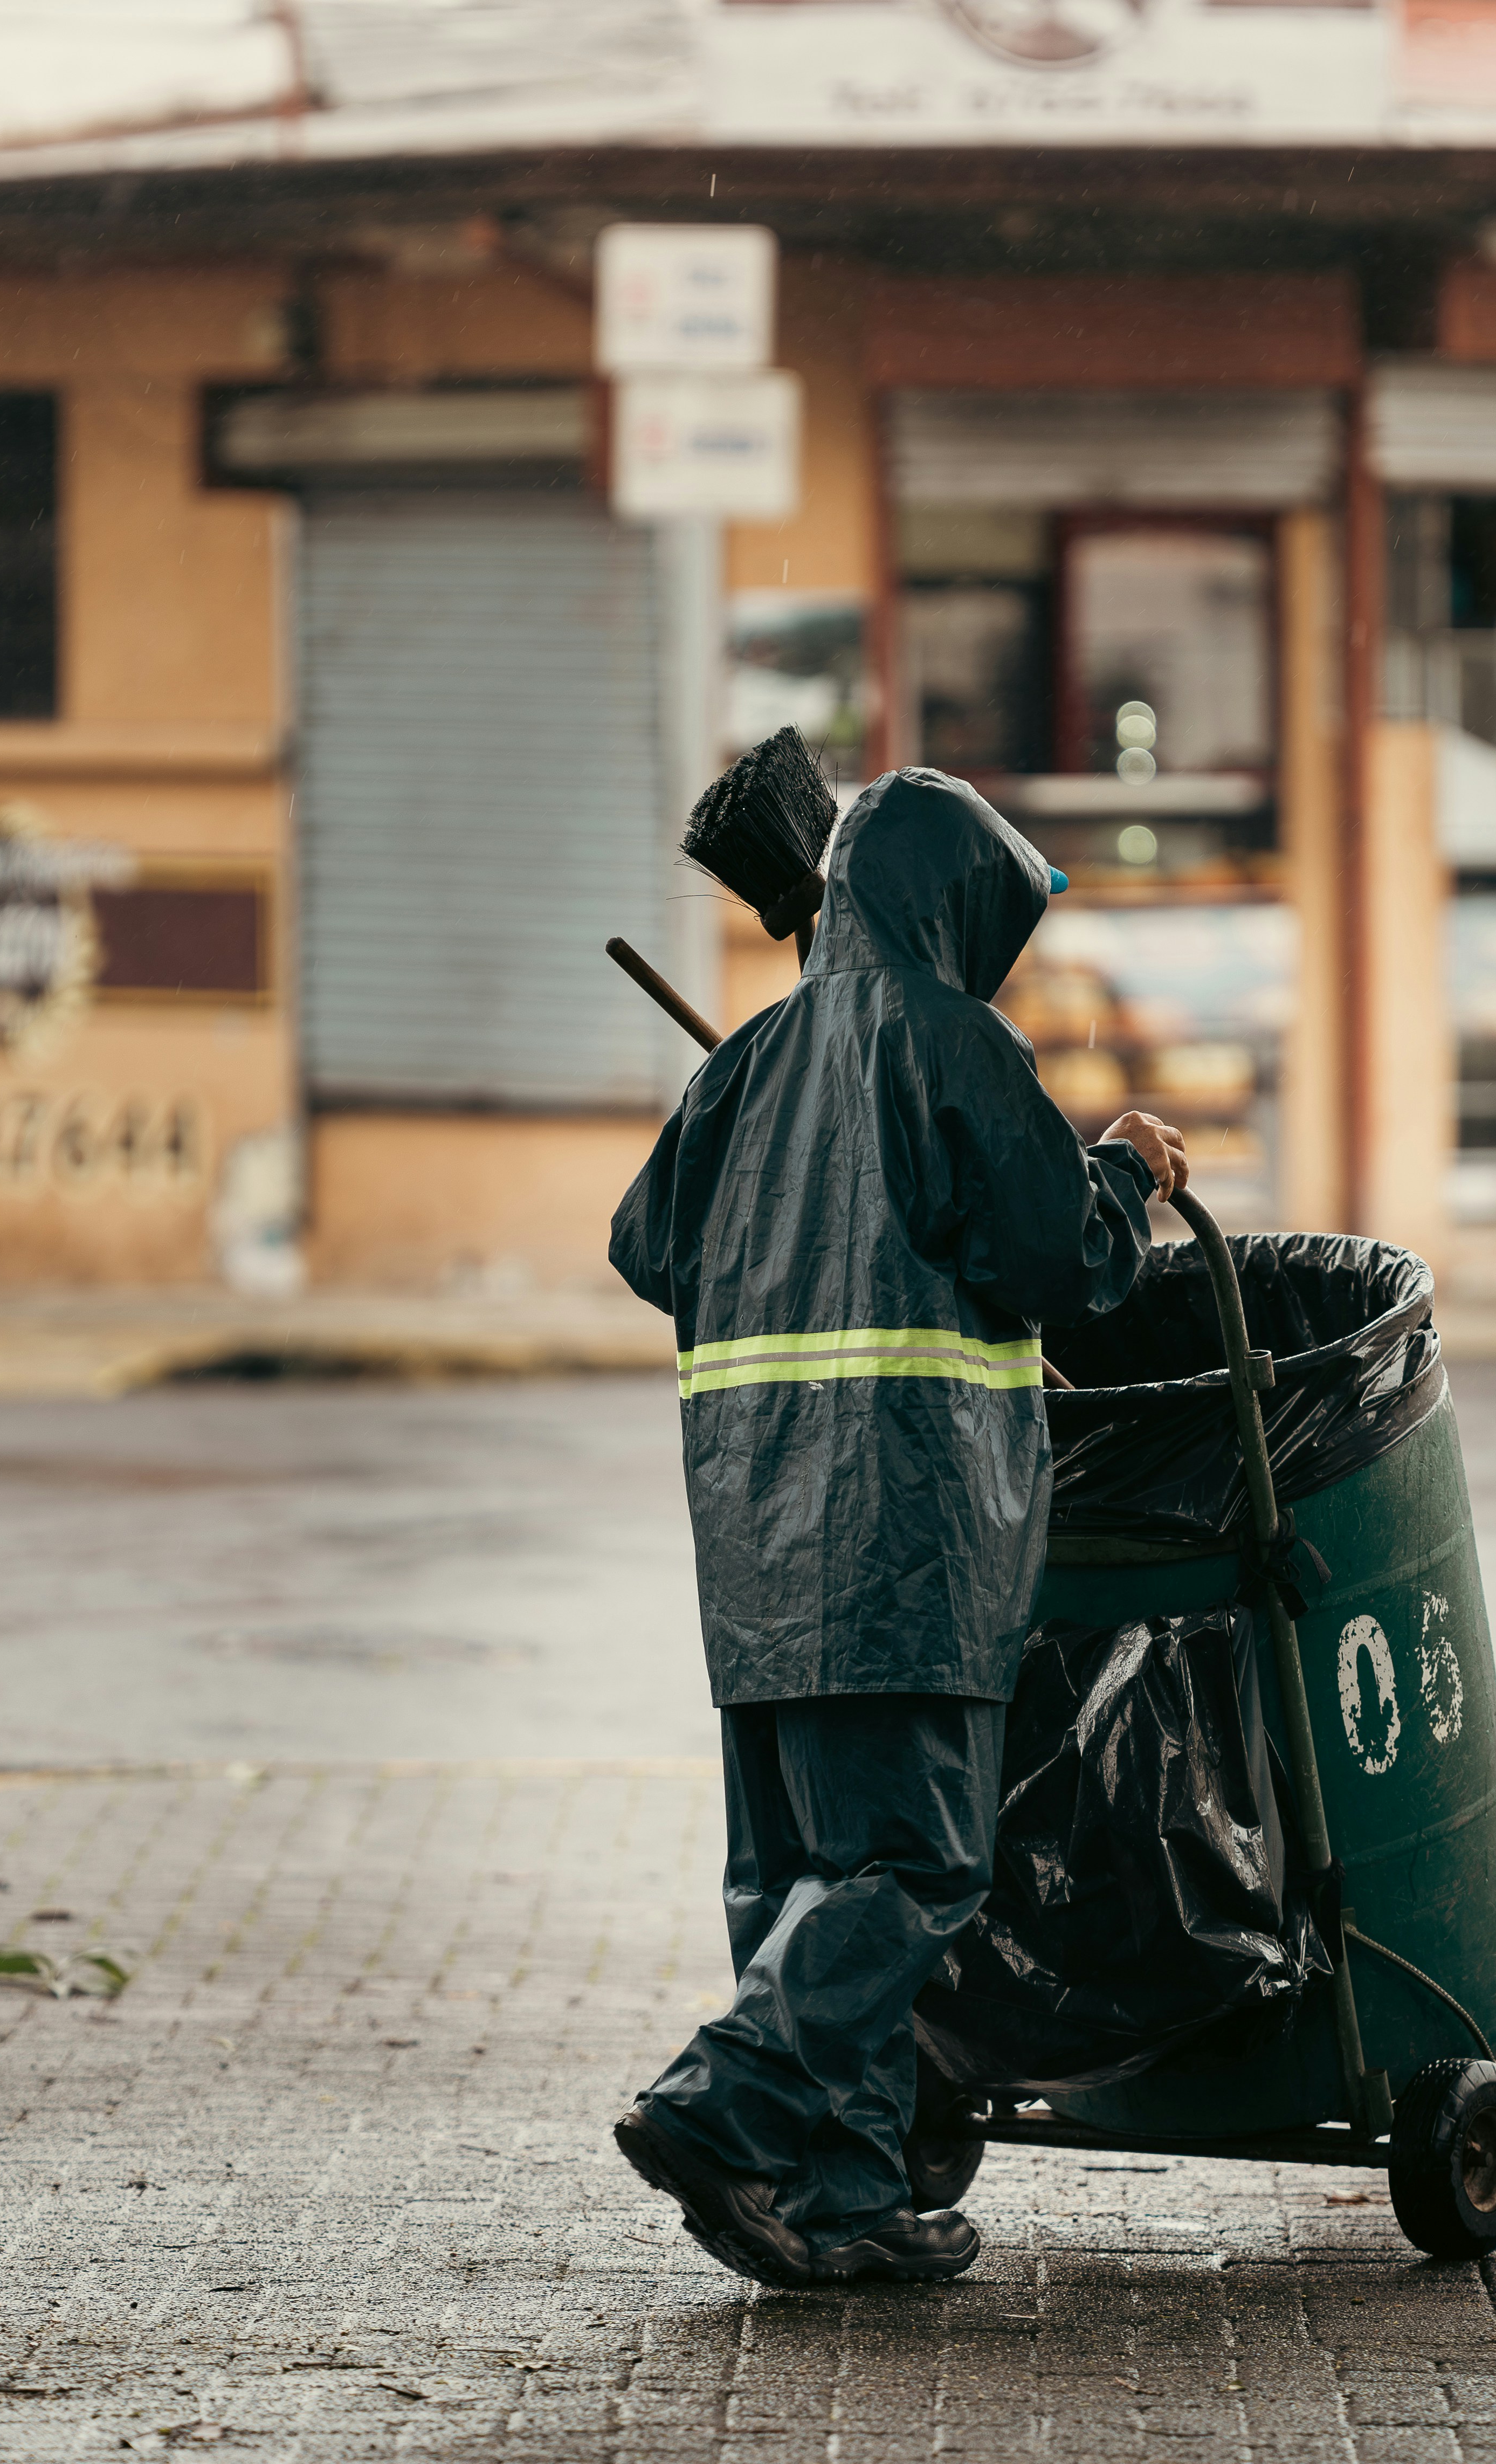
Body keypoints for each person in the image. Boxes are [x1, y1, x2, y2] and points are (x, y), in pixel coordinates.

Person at [606, 767, 1188, 2289]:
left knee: (800, 1878)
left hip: (753, 1543)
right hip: (907, 1538)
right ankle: (719, 2102)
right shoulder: (948, 1042)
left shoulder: (745, 1063)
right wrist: (1120, 1171)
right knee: (914, 1867)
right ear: (950, 907)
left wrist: (787, 1239)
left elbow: (643, 1244)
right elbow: (1061, 1258)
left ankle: (840, 2194)